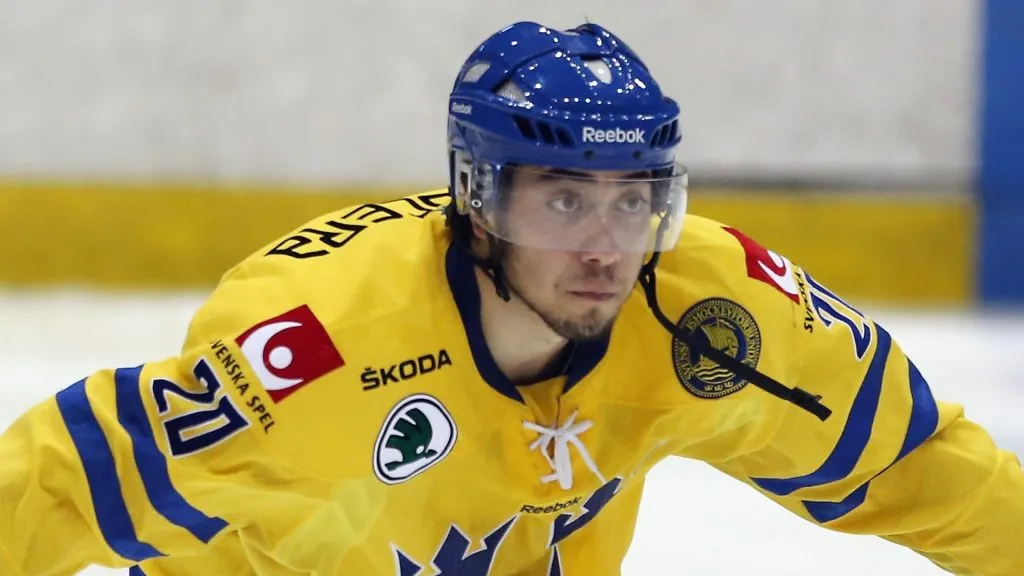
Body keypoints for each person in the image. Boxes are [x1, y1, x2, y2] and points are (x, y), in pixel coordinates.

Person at [0, 20, 1020, 576]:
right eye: (564, 200)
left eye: (634, 202)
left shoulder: (714, 315)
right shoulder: (319, 346)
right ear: (478, 202)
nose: (606, 247)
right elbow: (62, 479)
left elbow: (911, 463)